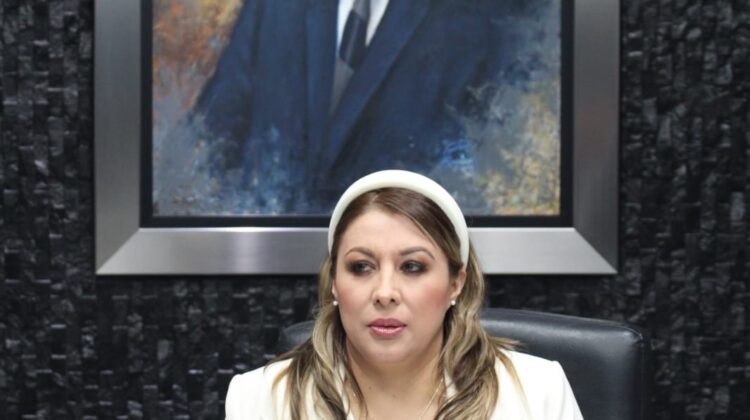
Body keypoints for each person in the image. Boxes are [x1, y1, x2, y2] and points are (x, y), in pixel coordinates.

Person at [224, 170, 583, 419]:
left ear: (456, 283)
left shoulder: (537, 392)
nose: (385, 293)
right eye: (361, 267)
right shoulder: (259, 400)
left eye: (412, 267)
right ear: (334, 281)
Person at [190, 0, 554, 212]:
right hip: (265, 281)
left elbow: (501, 179)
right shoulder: (273, 6)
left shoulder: (498, 16)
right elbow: (204, 147)